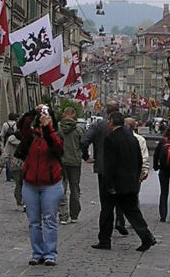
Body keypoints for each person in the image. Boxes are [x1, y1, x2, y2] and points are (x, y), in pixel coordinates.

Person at [93, 111, 157, 252]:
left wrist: (109, 185)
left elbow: (110, 164)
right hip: (130, 182)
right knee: (133, 211)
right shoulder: (132, 138)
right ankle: (147, 236)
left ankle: (104, 240)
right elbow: (139, 159)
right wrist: (136, 176)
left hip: (115, 183)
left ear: (111, 122)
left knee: (107, 211)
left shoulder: (111, 138)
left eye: (109, 121)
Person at [19, 105, 64, 266]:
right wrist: (33, 112)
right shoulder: (31, 136)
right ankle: (37, 252)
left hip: (51, 184)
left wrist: (48, 128)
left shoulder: (56, 134)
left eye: (47, 116)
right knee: (34, 221)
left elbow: (57, 148)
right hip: (30, 184)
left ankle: (50, 253)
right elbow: (22, 127)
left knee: (50, 219)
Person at [82, 101, 128, 237]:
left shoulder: (99, 125)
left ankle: (105, 233)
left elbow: (84, 141)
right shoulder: (124, 127)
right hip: (121, 168)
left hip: (103, 168)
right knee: (120, 195)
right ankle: (120, 219)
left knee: (106, 201)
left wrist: (86, 156)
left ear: (106, 111)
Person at [57, 106, 83, 224]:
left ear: (64, 114)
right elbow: (83, 144)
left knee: (61, 187)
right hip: (75, 161)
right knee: (75, 188)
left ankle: (63, 215)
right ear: (73, 114)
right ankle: (74, 215)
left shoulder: (58, 128)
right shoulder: (78, 129)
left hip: (61, 161)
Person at [0, 128, 24, 207]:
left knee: (18, 183)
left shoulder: (10, 140)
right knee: (25, 184)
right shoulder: (27, 139)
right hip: (25, 164)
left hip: (15, 164)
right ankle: (24, 200)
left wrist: (1, 165)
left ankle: (19, 199)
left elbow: (6, 153)